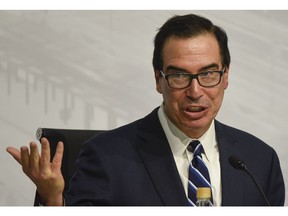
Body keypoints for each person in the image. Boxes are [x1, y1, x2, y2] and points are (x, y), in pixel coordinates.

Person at [6, 13, 285, 206]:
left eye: (208, 74)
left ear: (226, 77)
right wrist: (54, 200)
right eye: (179, 76)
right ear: (157, 79)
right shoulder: (105, 157)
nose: (195, 91)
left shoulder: (259, 161)